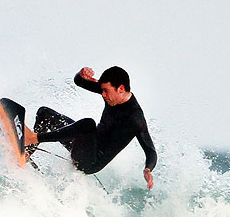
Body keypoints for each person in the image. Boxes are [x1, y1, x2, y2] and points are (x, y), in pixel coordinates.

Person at [24, 66, 157, 190]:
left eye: (106, 91)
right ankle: (26, 154)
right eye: (102, 90)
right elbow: (79, 82)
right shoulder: (111, 94)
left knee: (87, 124)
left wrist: (148, 169)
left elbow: (150, 151)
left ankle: (32, 138)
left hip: (91, 162)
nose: (103, 94)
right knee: (44, 113)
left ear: (121, 89)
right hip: (85, 144)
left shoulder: (135, 119)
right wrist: (81, 74)